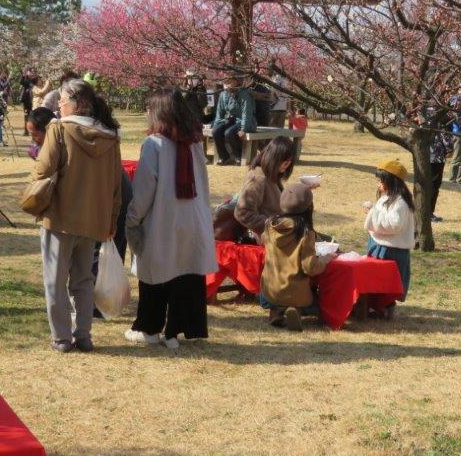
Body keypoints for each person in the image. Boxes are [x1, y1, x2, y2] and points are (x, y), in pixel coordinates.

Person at [30, 79, 121, 353]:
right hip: (94, 220)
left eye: (63, 100)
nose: (58, 105)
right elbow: (116, 186)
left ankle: (60, 337)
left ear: (78, 104)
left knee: (55, 281)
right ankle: (83, 335)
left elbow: (43, 170)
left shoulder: (58, 129)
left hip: (60, 216)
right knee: (83, 280)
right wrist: (111, 220)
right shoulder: (109, 136)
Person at [125, 89, 217, 350]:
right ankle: (178, 329)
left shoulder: (154, 144)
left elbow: (144, 190)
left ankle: (150, 328)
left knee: (156, 273)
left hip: (163, 219)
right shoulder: (195, 142)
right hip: (193, 218)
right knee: (186, 272)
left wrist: (133, 217)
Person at [260, 182, 335, 330]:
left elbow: (264, 241)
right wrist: (325, 259)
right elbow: (310, 268)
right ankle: (295, 310)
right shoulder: (306, 233)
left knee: (277, 296)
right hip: (295, 293)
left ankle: (276, 312)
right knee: (316, 302)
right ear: (308, 207)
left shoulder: (269, 226)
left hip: (268, 293)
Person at [363, 159, 415, 318]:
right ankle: (375, 307)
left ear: (391, 182)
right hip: (379, 245)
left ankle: (385, 308)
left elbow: (394, 225)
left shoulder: (400, 203)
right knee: (375, 280)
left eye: (381, 181)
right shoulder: (387, 197)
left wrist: (372, 213)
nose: (378, 184)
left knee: (386, 282)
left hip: (390, 249)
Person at [234, 136, 297, 241]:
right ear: (274, 158)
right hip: (267, 238)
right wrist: (272, 225)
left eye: (290, 162)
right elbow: (242, 212)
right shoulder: (258, 178)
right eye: (285, 161)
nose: (287, 165)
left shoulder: (270, 174)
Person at [211, 75, 256, 165]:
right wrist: (216, 125)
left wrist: (244, 129)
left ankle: (237, 155)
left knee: (229, 133)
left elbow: (246, 113)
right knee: (216, 131)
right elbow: (219, 113)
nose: (227, 84)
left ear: (236, 82)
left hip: (244, 121)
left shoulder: (244, 94)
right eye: (225, 82)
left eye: (230, 82)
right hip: (229, 120)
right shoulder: (223, 94)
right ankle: (223, 156)